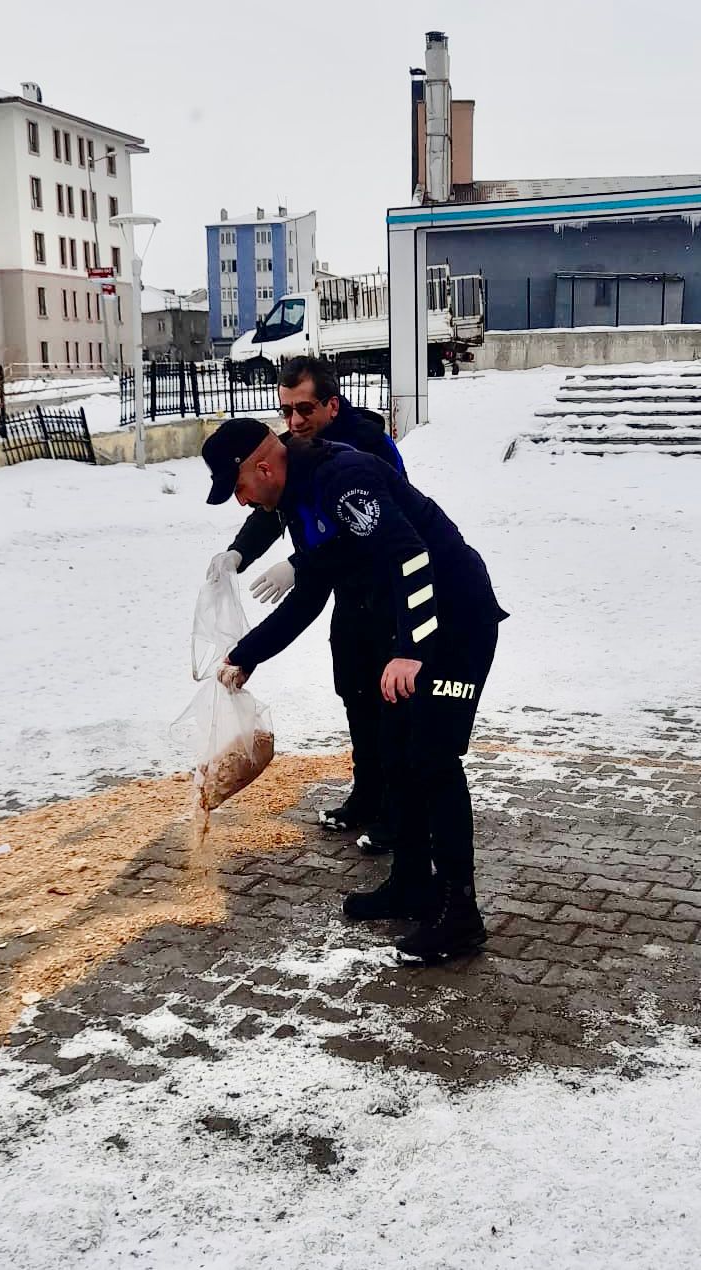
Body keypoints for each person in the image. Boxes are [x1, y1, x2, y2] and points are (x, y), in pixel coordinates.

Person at [200, 418, 505, 965]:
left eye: (240, 488)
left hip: (455, 620)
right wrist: (245, 657)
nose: (242, 502)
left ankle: (461, 914)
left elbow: (410, 555)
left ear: (263, 468)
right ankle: (412, 882)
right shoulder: (296, 497)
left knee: (432, 757)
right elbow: (311, 595)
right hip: (409, 627)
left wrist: (412, 650)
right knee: (396, 752)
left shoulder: (342, 479)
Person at [204, 356, 404, 854]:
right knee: (354, 686)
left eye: (304, 409)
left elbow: (367, 531)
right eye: (286, 410)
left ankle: (398, 812)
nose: (293, 421)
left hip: (389, 587)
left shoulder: (358, 451)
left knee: (390, 702)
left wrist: (302, 565)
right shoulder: (294, 454)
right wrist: (241, 553)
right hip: (347, 589)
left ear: (332, 405)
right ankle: (368, 794)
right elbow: (277, 509)